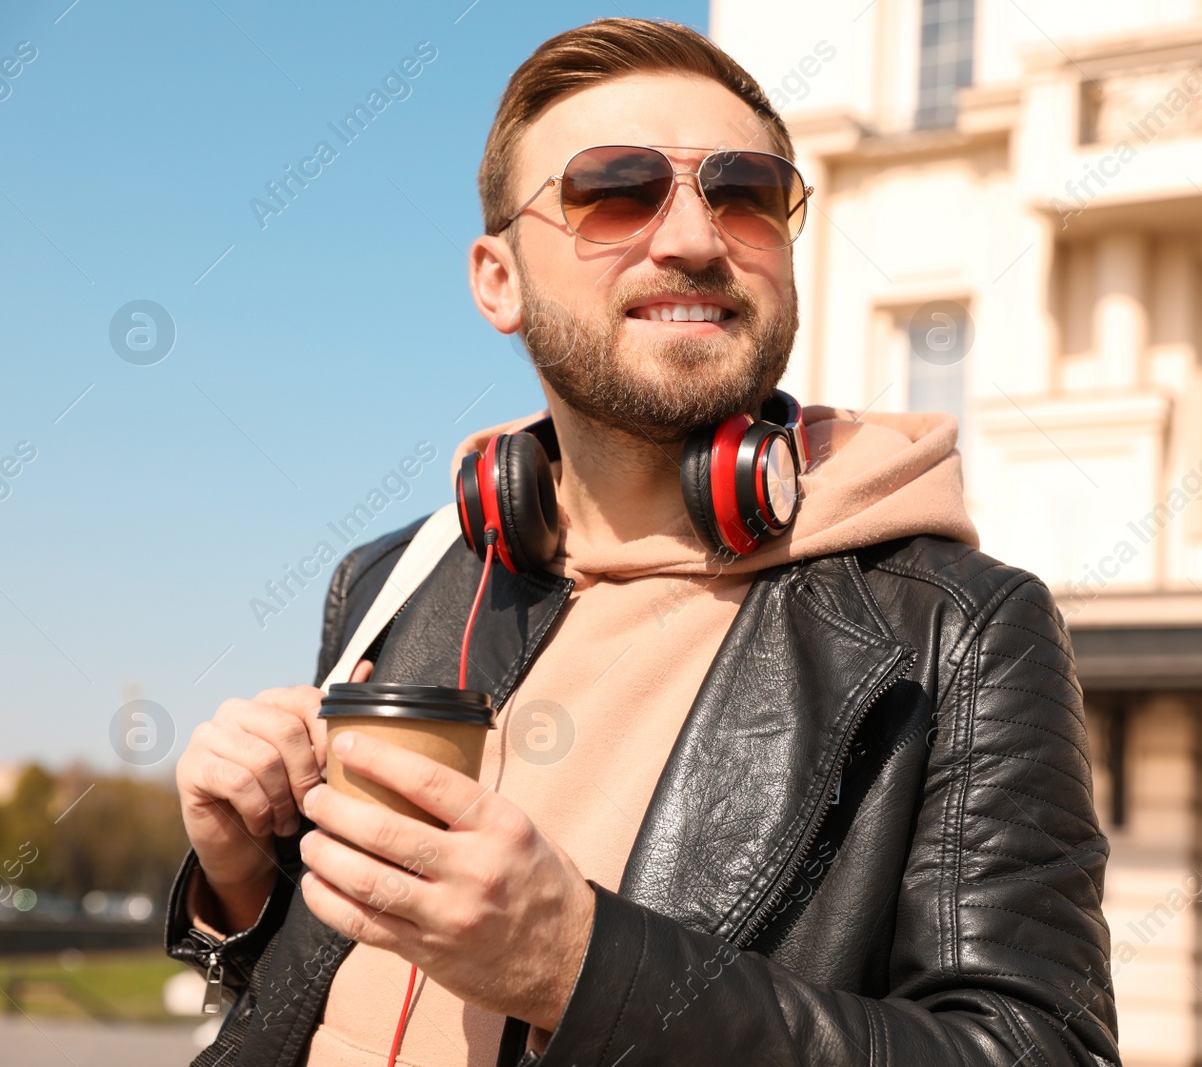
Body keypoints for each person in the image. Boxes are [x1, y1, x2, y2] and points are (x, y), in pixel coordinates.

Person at [164, 17, 1119, 1067]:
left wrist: (581, 966)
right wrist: (241, 885)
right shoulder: (397, 577)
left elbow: (1038, 1051)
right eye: (613, 191)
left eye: (744, 192)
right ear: (497, 279)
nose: (694, 238)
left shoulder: (960, 628)